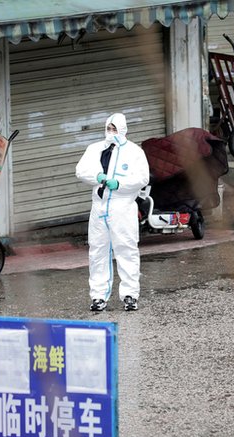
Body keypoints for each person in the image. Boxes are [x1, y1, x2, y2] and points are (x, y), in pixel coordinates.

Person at [75, 113, 150, 312]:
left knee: (126, 250)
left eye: (114, 129)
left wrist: (120, 184)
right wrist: (97, 176)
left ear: (123, 129)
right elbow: (81, 170)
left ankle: (130, 295)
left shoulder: (134, 152)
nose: (111, 132)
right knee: (97, 252)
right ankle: (98, 296)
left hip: (122, 207)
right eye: (109, 128)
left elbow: (142, 178)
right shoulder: (95, 149)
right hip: (99, 207)